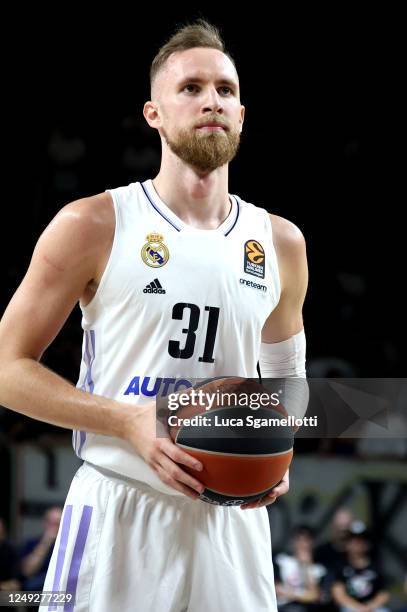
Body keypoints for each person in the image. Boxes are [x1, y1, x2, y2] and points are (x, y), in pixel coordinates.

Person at [0, 19, 308, 611]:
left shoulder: (281, 242)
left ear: (242, 115)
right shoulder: (92, 224)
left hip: (234, 529)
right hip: (119, 511)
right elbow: (8, 368)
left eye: (225, 89)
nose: (211, 100)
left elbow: (286, 381)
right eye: (190, 88)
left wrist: (275, 447)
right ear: (154, 115)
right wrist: (126, 422)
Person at [332, 523, 390, 612]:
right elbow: (339, 594)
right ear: (347, 544)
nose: (356, 544)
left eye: (360, 540)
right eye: (352, 540)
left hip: (372, 607)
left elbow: (384, 593)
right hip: (350, 607)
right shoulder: (340, 566)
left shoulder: (376, 565)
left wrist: (369, 607)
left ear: (367, 544)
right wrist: (358, 608)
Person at [274, 525, 327, 612]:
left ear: (312, 543)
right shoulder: (280, 561)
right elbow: (276, 588)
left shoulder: (319, 570)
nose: (302, 544)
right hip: (279, 606)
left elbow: (314, 596)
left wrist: (307, 566)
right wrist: (303, 595)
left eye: (306, 540)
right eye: (298, 539)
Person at [20, 506, 62, 591]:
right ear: (44, 523)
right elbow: (27, 572)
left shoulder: (68, 546)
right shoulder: (32, 543)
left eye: (57, 524)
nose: (54, 528)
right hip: (35, 590)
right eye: (51, 523)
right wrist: (45, 543)